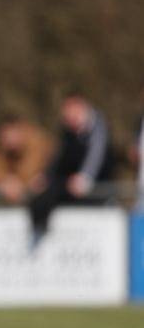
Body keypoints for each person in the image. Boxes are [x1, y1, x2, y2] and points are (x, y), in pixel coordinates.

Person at [29, 94, 113, 243]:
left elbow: (96, 153)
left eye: (70, 114)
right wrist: (45, 176)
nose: (68, 119)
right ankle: (39, 227)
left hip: (97, 188)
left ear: (81, 106)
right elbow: (58, 158)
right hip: (71, 184)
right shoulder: (67, 131)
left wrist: (85, 176)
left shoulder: (99, 125)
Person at [0, 114, 52, 205]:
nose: (6, 139)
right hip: (16, 189)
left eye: (9, 134)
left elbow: (32, 169)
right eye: (3, 135)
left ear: (19, 131)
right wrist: (4, 182)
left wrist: (19, 182)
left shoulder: (36, 140)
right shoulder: (0, 146)